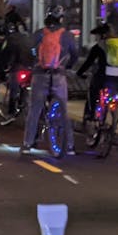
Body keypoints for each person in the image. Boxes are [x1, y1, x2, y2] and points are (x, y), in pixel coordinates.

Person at [22, 13, 80, 153]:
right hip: (59, 75)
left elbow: (30, 52)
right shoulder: (67, 36)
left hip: (40, 75)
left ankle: (27, 144)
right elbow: (74, 55)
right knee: (63, 110)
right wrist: (67, 67)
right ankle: (70, 146)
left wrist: (33, 64)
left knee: (34, 110)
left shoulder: (38, 34)